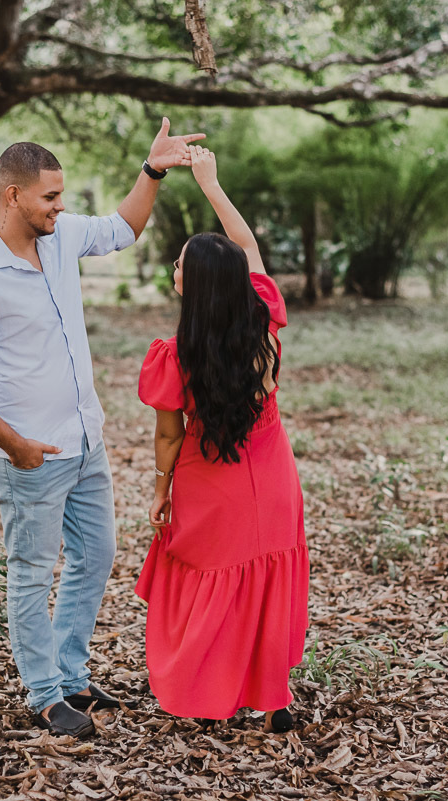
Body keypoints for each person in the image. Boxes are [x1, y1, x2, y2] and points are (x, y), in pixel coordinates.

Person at [0, 119, 204, 739]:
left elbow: (123, 228)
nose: (61, 206)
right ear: (12, 196)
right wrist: (15, 445)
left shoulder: (58, 238)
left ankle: (72, 674)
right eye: (50, 197)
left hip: (86, 441)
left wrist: (153, 170)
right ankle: (44, 694)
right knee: (32, 570)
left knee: (96, 554)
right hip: (29, 455)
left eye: (62, 196)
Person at [135, 145, 310, 732]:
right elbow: (250, 250)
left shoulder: (176, 357)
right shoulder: (263, 318)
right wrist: (211, 183)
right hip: (274, 479)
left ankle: (212, 690)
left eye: (181, 264)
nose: (175, 270)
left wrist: (160, 491)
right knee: (266, 581)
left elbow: (168, 437)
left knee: (214, 587)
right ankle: (274, 698)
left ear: (197, 286)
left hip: (211, 488)